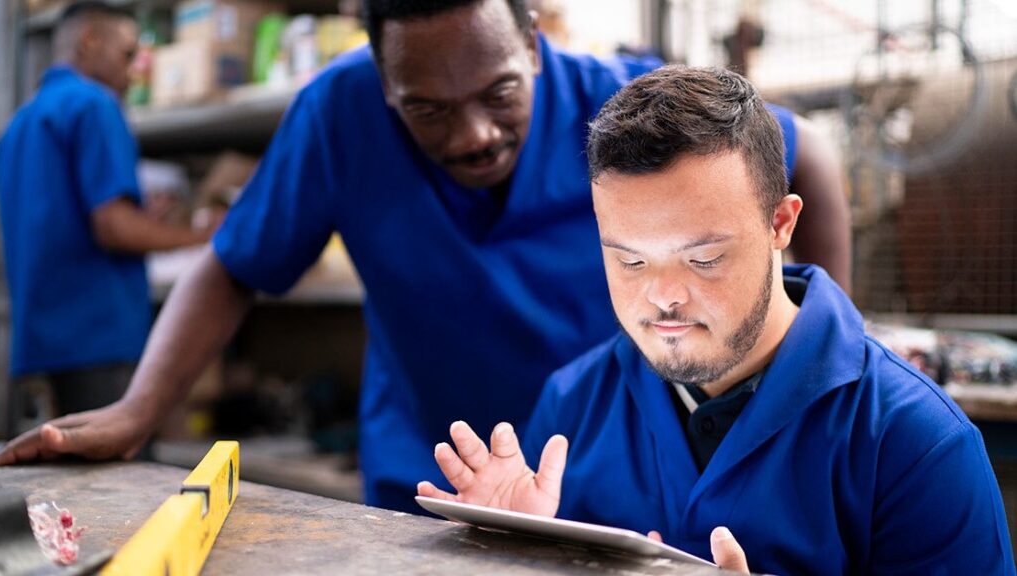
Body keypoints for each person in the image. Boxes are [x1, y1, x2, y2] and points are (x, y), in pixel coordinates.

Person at [0, 0, 850, 514]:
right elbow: (233, 264)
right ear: (379, 78)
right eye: (427, 110)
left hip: (605, 475)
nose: (473, 134)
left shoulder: (615, 105)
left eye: (501, 95)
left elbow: (805, 155)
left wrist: (820, 356)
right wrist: (142, 409)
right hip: (428, 474)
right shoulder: (338, 117)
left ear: (536, 48)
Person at [417, 65, 1013, 574]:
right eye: (629, 260)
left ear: (781, 223)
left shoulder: (916, 445)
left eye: (703, 258)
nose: (663, 297)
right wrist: (508, 556)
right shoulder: (572, 407)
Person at [0, 2, 212, 418]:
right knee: (115, 480)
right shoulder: (94, 104)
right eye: (127, 54)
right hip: (99, 343)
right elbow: (114, 228)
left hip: (40, 344)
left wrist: (142, 217)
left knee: (54, 479)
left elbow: (59, 221)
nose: (134, 71)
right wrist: (205, 237)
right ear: (89, 41)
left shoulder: (20, 123)